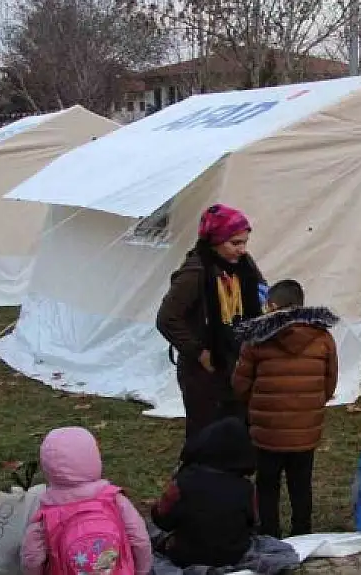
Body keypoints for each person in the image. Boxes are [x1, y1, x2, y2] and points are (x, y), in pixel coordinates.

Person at [231, 279, 340, 539]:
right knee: (301, 483)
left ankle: (270, 532)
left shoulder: (256, 339)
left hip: (267, 432)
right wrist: (309, 404)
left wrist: (258, 406)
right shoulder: (323, 337)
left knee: (267, 484)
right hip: (305, 429)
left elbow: (240, 385)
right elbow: (330, 381)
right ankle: (303, 531)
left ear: (272, 305)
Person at [156, 203, 266, 444]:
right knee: (205, 433)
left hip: (236, 361)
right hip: (204, 372)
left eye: (245, 242)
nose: (242, 250)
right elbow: (167, 318)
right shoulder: (196, 272)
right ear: (215, 240)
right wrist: (199, 353)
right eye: (235, 243)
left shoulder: (244, 266)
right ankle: (195, 477)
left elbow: (261, 293)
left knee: (238, 428)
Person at [21, 427, 152, 575]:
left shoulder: (46, 516)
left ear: (48, 467)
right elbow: (139, 539)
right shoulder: (114, 500)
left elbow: (32, 558)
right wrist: (142, 570)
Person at [151, 417, 258, 568]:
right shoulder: (246, 487)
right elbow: (253, 522)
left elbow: (162, 519)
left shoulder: (183, 482)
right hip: (234, 555)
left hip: (185, 556)